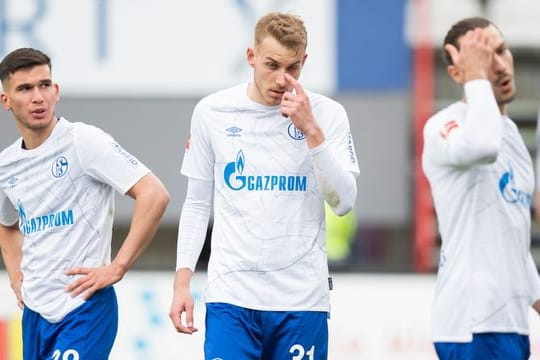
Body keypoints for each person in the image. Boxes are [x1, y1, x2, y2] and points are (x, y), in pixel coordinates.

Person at [169, 12, 360, 359]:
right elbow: (197, 204)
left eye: (293, 69)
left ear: (304, 62)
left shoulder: (327, 115)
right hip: (232, 299)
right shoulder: (212, 112)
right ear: (251, 57)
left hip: (301, 302)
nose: (281, 79)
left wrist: (312, 132)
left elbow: (344, 202)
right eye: (271, 65)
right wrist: (182, 282)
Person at [0, 48, 170, 359]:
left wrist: (117, 267)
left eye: (44, 85)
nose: (38, 97)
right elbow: (7, 224)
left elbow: (154, 194)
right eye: (25, 88)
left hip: (84, 307)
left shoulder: (84, 141)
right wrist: (15, 277)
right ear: (6, 100)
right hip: (36, 313)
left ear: (56, 91)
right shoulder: (6, 165)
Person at [422, 17, 540, 359]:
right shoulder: (444, 125)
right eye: (485, 59)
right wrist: (477, 78)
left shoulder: (514, 136)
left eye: (502, 51)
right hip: (472, 325)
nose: (500, 66)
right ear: (458, 73)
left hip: (511, 327)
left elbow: (514, 246)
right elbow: (483, 147)